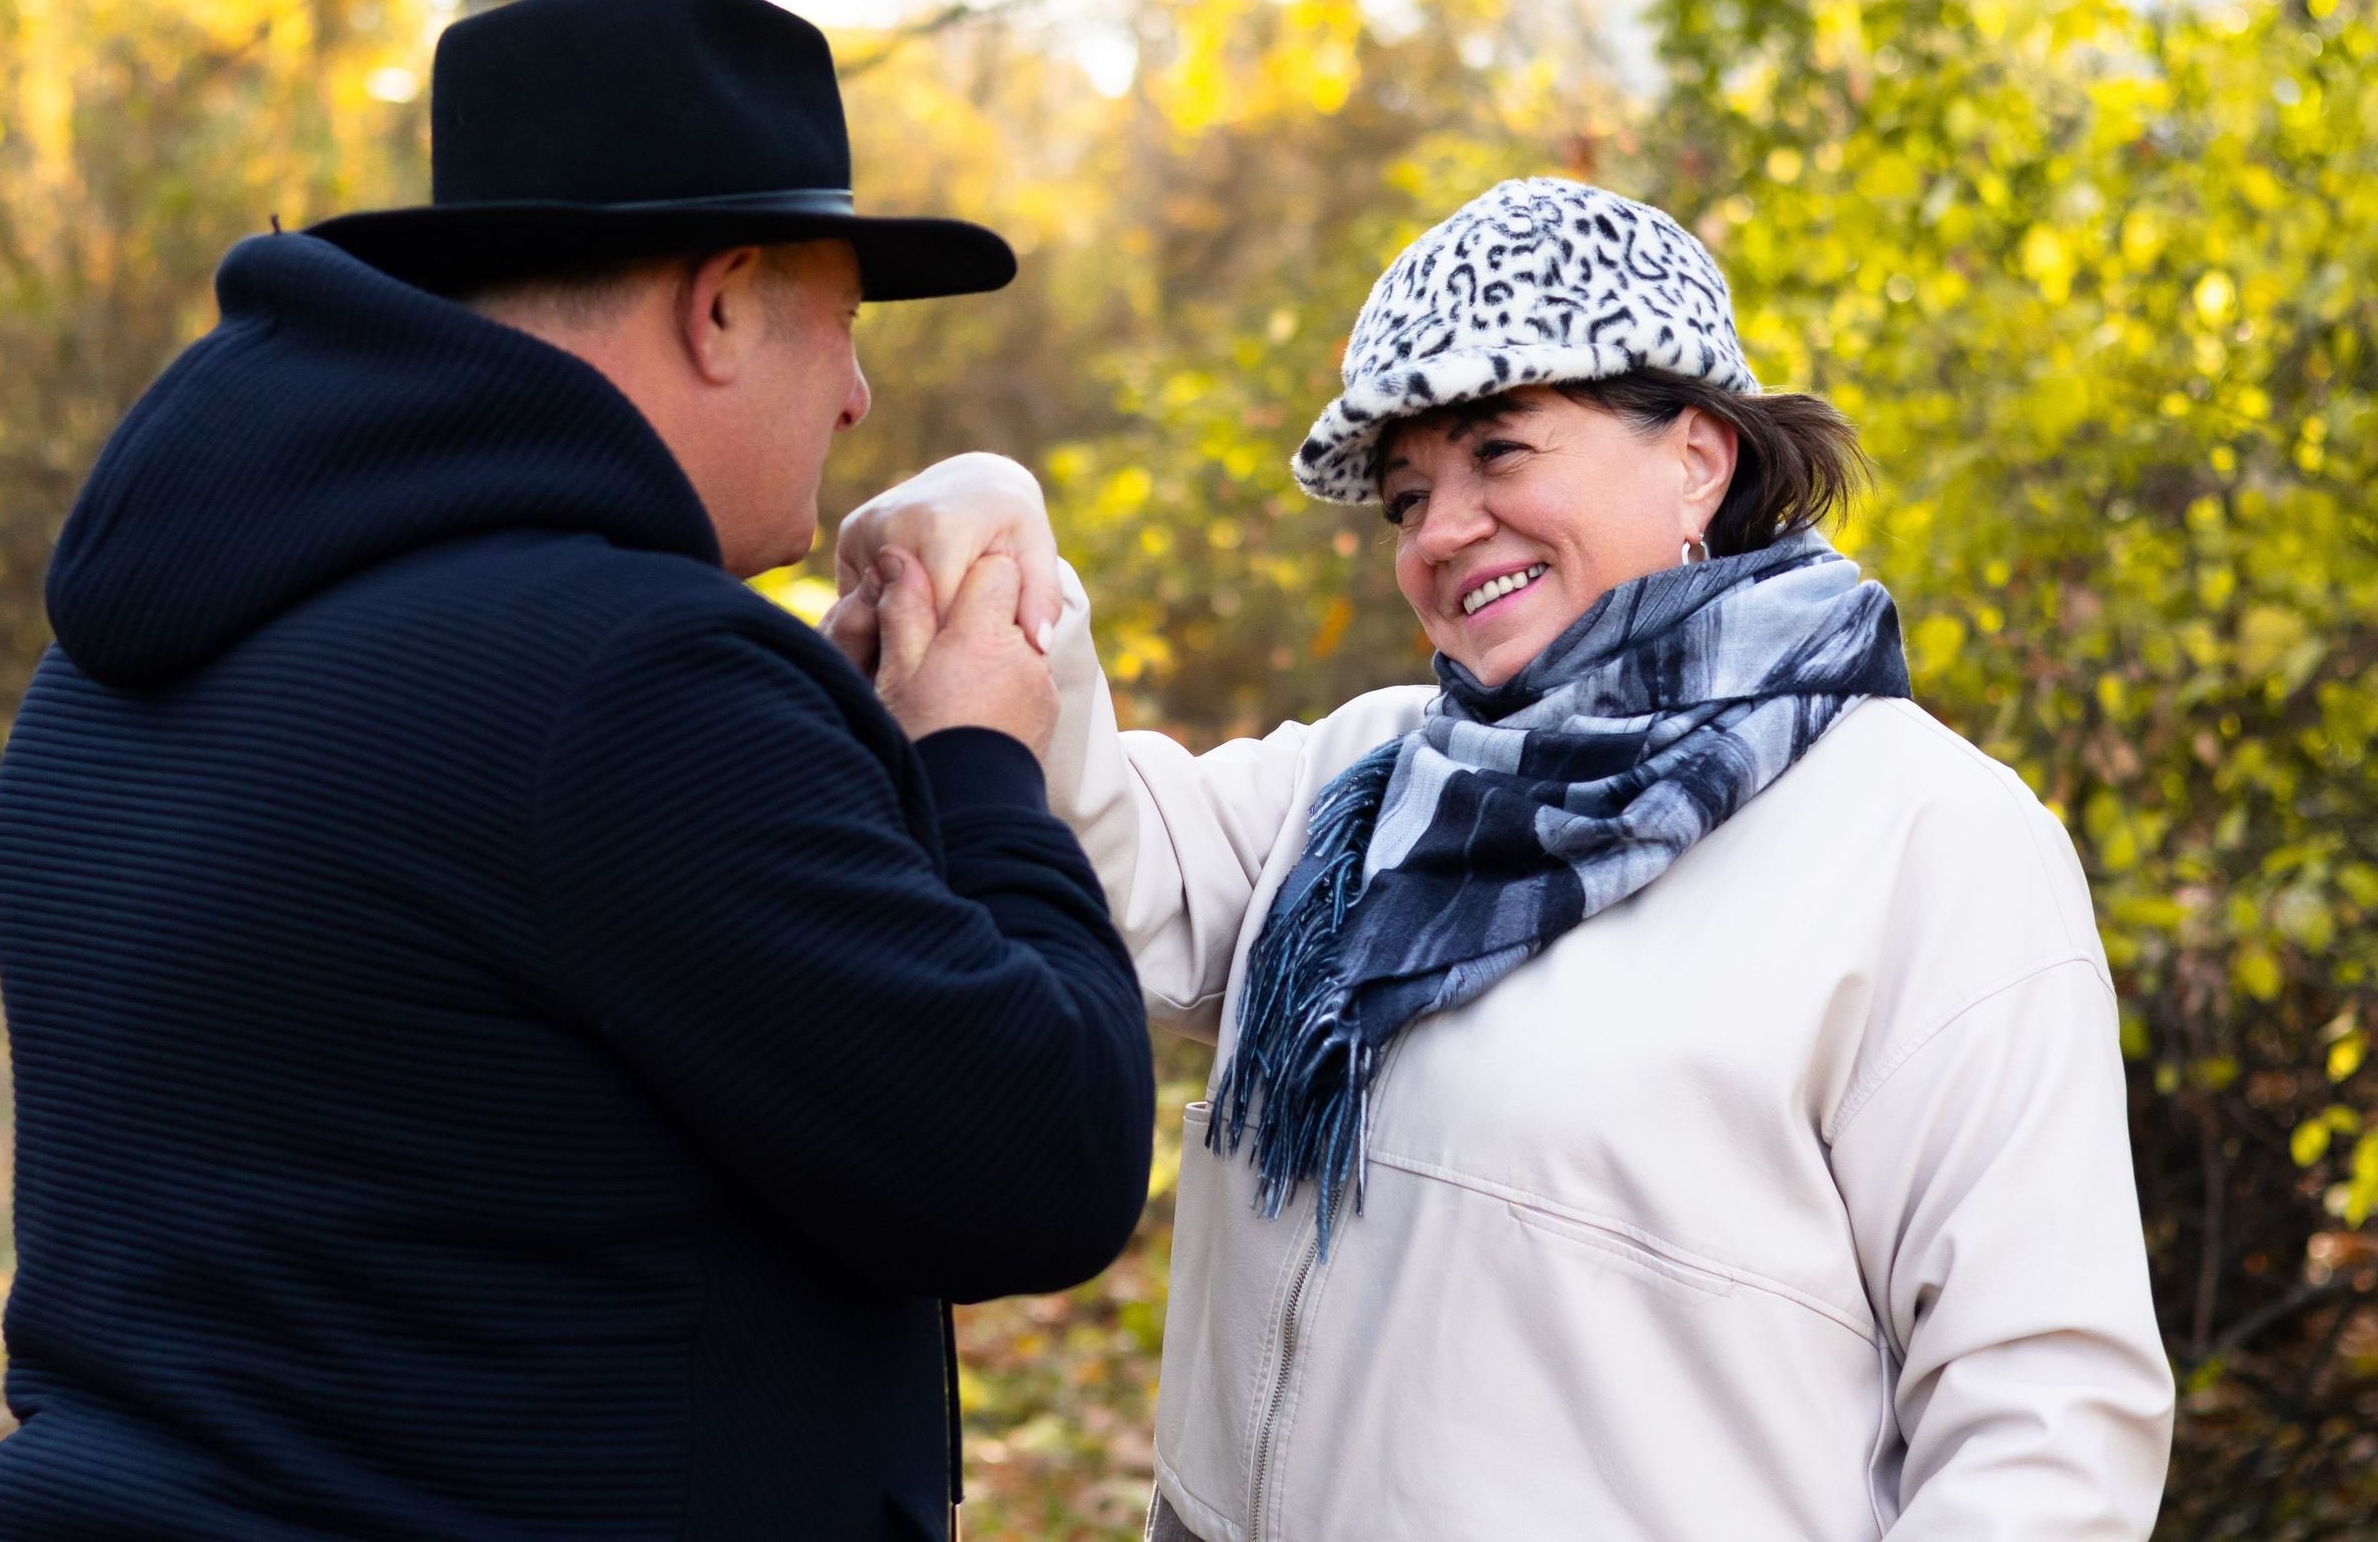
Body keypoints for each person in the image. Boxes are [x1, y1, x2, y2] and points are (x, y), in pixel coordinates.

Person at [0, 0, 1155, 1542]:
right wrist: (976, 758)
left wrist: (826, 755)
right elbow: (1043, 1156)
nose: (857, 397)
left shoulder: (118, 653)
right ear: (720, 304)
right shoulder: (634, 681)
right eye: (845, 326)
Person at [831, 178, 2176, 1541]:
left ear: (1698, 456)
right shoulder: (1375, 777)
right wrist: (997, 581)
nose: (1440, 531)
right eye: (1408, 496)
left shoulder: (1921, 835)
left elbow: (2046, 1424)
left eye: (1500, 452)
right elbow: (1106, 863)